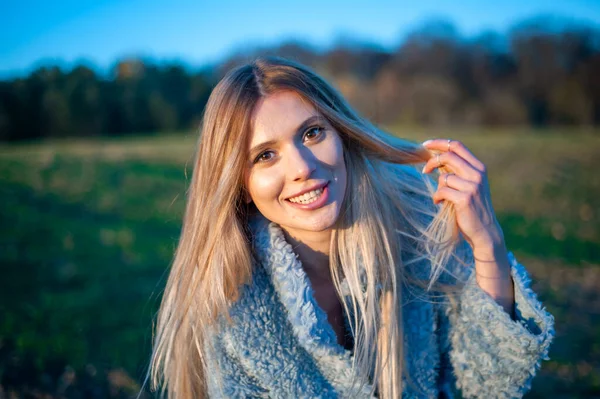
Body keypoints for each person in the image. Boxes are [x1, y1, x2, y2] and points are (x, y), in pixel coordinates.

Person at [147, 56, 554, 398]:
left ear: (341, 134)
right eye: (265, 155)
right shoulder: (232, 305)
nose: (303, 168)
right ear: (241, 186)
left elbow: (486, 386)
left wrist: (487, 244)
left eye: (312, 132)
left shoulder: (417, 225)